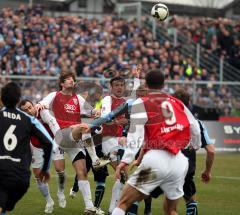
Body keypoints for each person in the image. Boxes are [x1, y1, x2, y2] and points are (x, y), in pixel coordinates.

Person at [111, 70, 201, 215]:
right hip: (179, 161)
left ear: (146, 83)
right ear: (164, 84)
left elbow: (136, 135)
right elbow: (195, 127)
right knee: (170, 210)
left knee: (123, 203)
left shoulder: (142, 102)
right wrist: (195, 146)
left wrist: (125, 160)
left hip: (156, 159)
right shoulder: (176, 101)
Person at [38, 71, 107, 214]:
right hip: (62, 134)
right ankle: (95, 159)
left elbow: (91, 111)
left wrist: (97, 111)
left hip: (74, 138)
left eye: (72, 79)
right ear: (62, 83)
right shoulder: (54, 95)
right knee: (84, 127)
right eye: (68, 79)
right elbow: (42, 103)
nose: (71, 81)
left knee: (82, 172)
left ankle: (89, 206)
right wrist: (40, 105)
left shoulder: (78, 99)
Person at [0, 82, 53, 215]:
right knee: (4, 205)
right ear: (18, 100)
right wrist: (45, 169)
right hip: (20, 178)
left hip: (1, 170)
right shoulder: (29, 120)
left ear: (2, 99)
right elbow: (49, 143)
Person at [19, 99, 66, 213]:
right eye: (25, 110)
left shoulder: (43, 112)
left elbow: (53, 124)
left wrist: (58, 142)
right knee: (38, 175)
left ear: (34, 105)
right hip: (37, 147)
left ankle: (60, 192)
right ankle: (49, 201)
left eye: (30, 107)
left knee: (60, 169)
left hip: (53, 142)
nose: (29, 111)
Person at [173, 89, 215, 215]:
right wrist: (207, 171)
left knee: (139, 191)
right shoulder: (198, 124)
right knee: (189, 195)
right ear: (189, 103)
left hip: (168, 163)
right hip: (188, 165)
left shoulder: (166, 122)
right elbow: (211, 151)